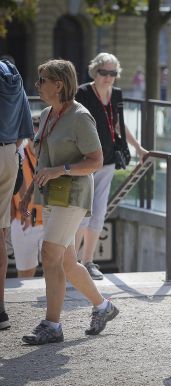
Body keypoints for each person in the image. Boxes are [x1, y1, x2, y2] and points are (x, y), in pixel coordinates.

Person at [20, 59, 118, 345]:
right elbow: (43, 160)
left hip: (73, 194)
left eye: (42, 80)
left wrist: (60, 171)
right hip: (53, 194)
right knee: (67, 261)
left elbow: (96, 161)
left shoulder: (80, 116)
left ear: (58, 84)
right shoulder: (49, 113)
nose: (37, 85)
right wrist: (29, 193)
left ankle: (52, 324)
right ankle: (103, 307)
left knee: (49, 254)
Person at [74, 53, 148, 280]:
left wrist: (138, 148)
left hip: (107, 159)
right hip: (85, 160)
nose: (108, 78)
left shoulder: (116, 95)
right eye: (104, 72)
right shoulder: (83, 93)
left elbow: (118, 124)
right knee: (81, 213)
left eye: (113, 73)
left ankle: (87, 262)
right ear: (94, 71)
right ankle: (71, 263)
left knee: (98, 213)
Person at [0, 57, 34, 330]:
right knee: (1, 232)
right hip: (10, 154)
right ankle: (0, 310)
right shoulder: (14, 77)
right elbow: (25, 131)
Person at [10, 114, 44, 278]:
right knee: (25, 274)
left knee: (56, 270)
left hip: (49, 222)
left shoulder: (53, 156)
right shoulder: (18, 155)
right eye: (33, 138)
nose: (36, 143)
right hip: (24, 222)